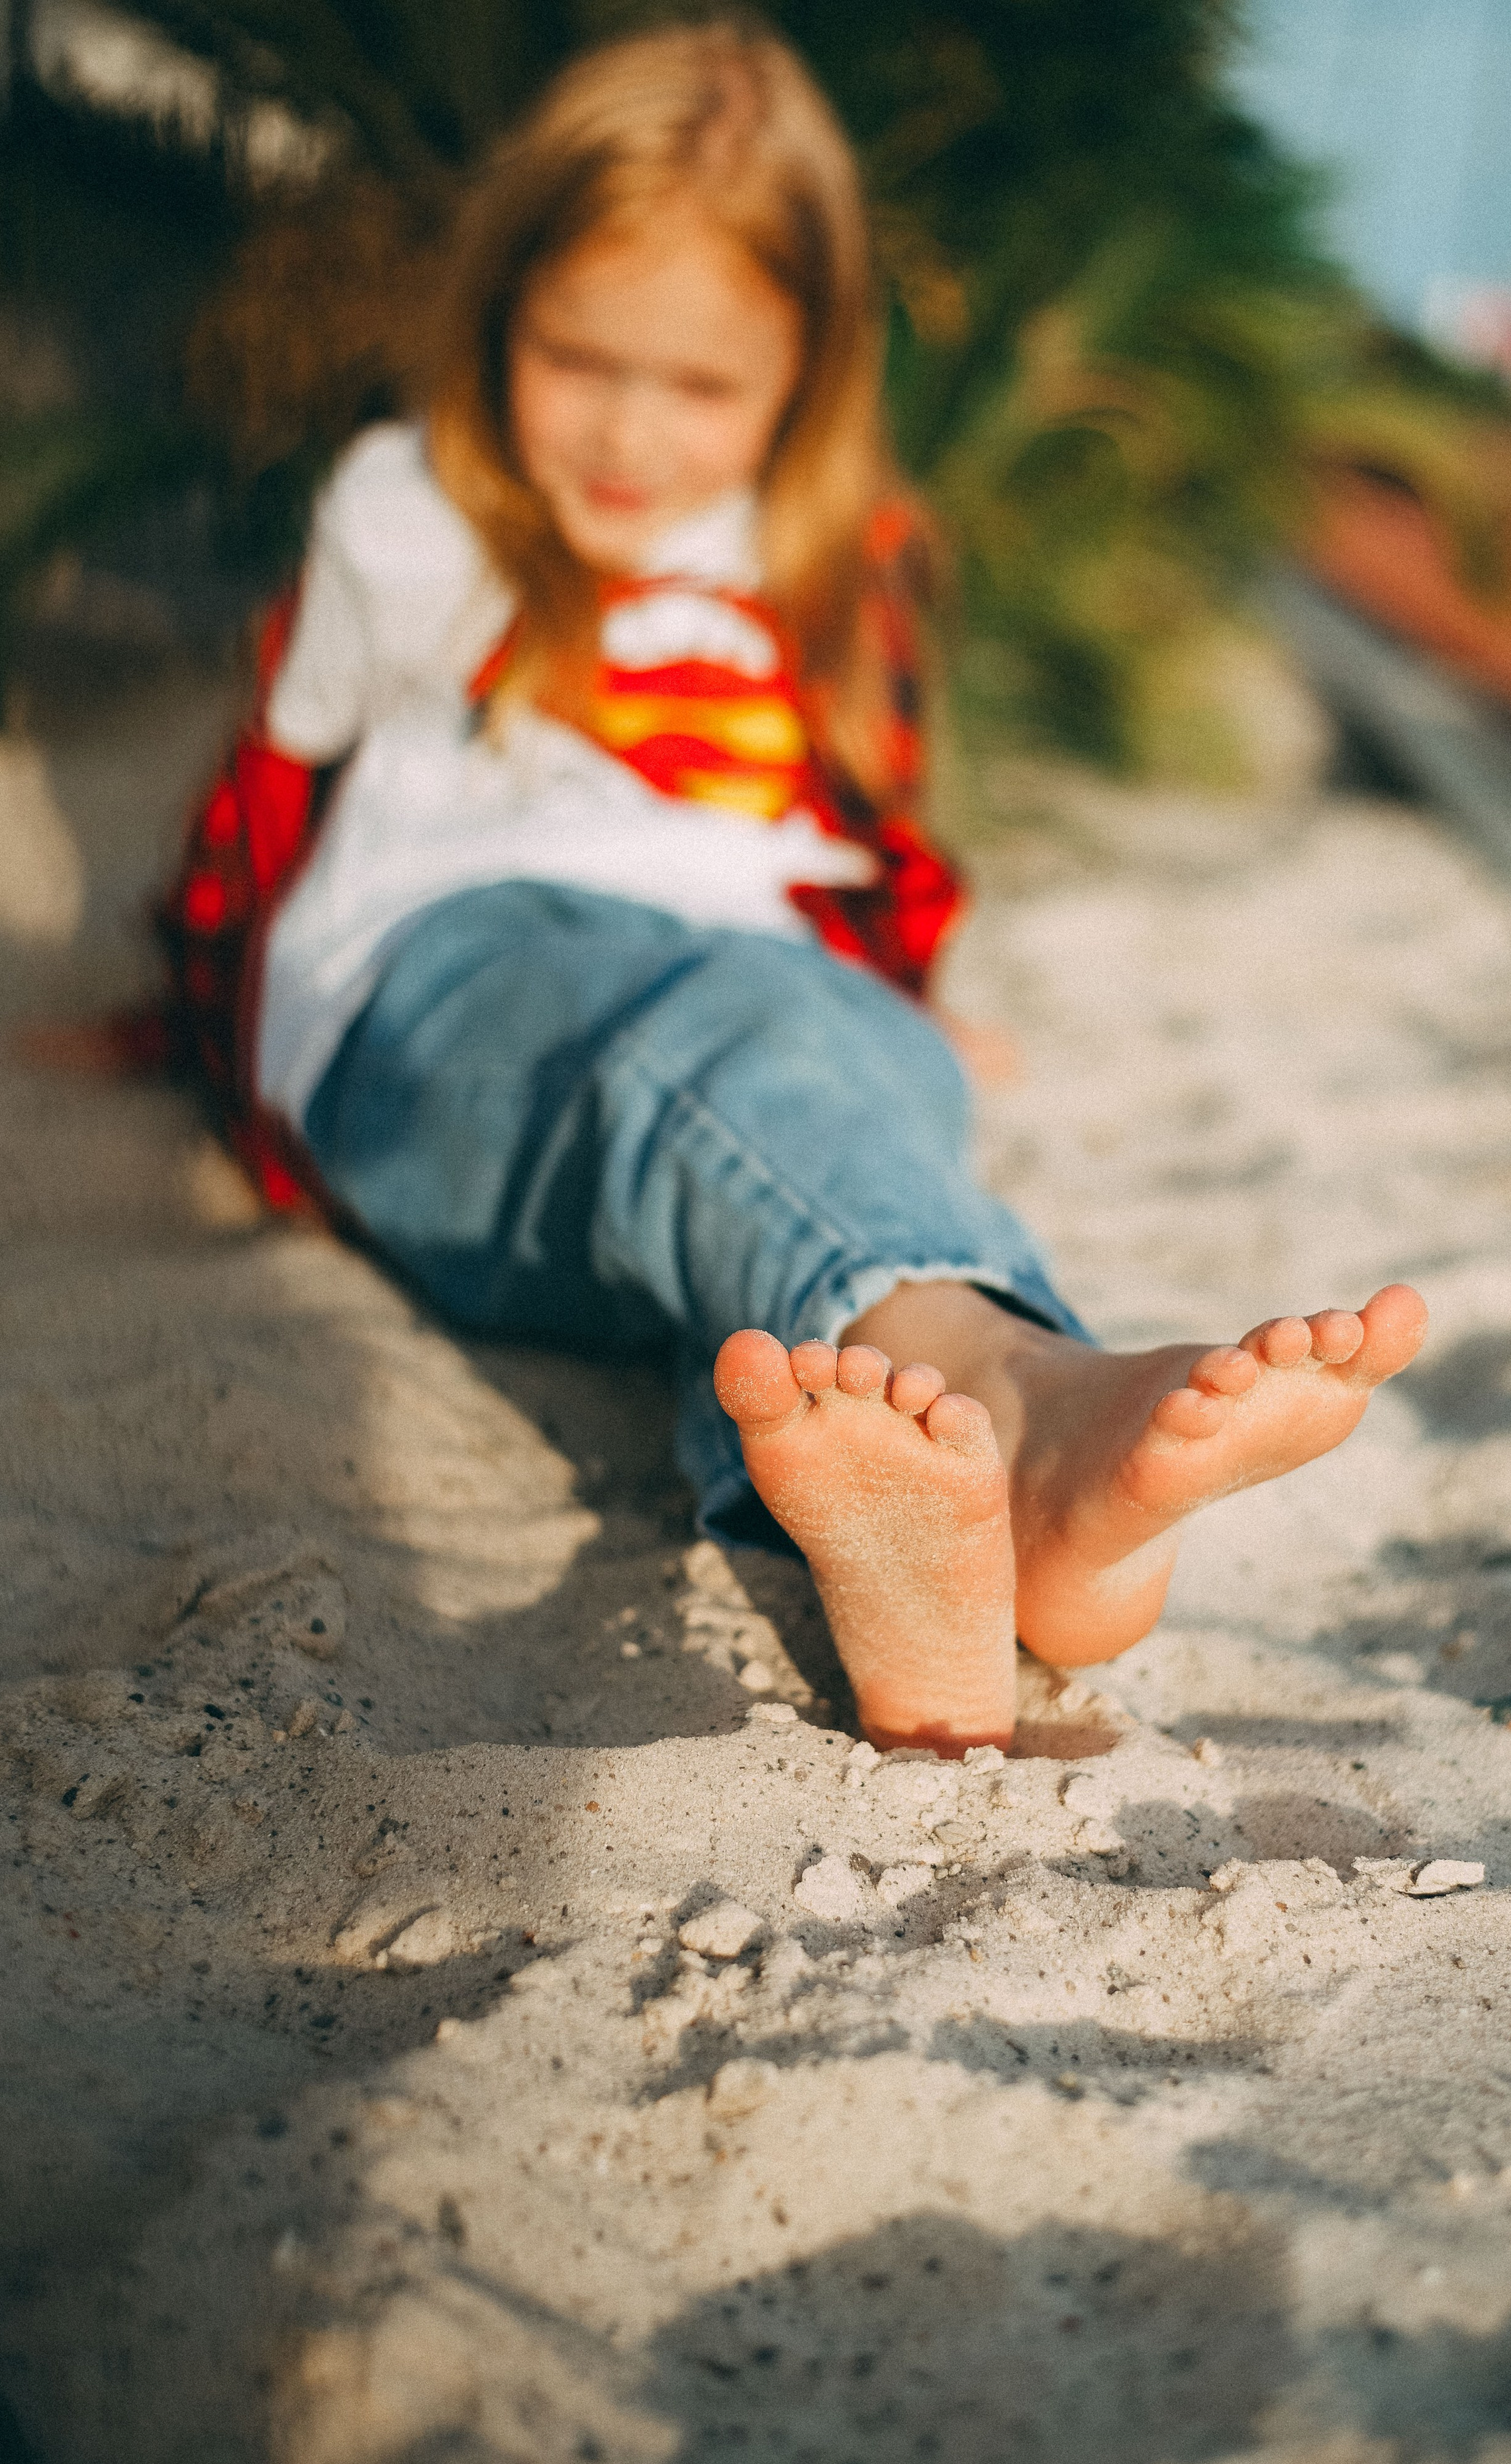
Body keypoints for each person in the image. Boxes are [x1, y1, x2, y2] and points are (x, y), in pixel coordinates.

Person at [164, 19, 1426, 1758]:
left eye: (700, 388)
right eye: (577, 357)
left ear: (803, 373)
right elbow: (269, 800)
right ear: (495, 314)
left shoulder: (824, 559)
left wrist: (907, 1017)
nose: (625, 432)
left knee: (804, 1114)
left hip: (769, 1009)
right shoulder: (413, 513)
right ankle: (1026, 1401)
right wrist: (220, 1033)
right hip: (455, 1007)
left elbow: (857, 857)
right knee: (710, 1044)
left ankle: (920, 1548)